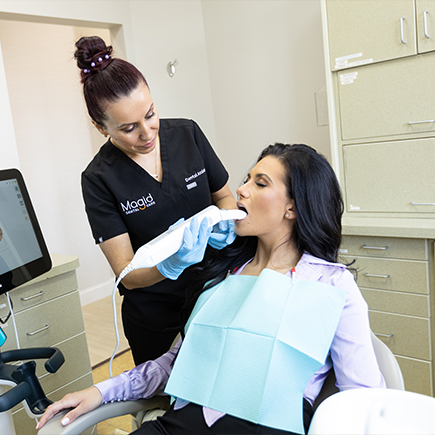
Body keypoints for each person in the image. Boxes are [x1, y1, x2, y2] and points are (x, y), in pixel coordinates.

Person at [36, 143, 386, 434]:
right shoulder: (222, 273)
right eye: (246, 178)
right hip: (181, 425)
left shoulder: (331, 285)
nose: (241, 190)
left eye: (260, 183)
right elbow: (177, 363)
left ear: (292, 207)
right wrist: (101, 391)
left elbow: (365, 397)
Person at [75, 36, 237, 365]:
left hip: (214, 291)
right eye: (129, 128)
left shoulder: (187, 135)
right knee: (160, 401)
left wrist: (230, 225)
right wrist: (170, 265)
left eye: (150, 114)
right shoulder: (98, 179)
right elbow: (126, 272)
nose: (147, 134)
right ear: (99, 127)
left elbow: (224, 196)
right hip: (154, 314)